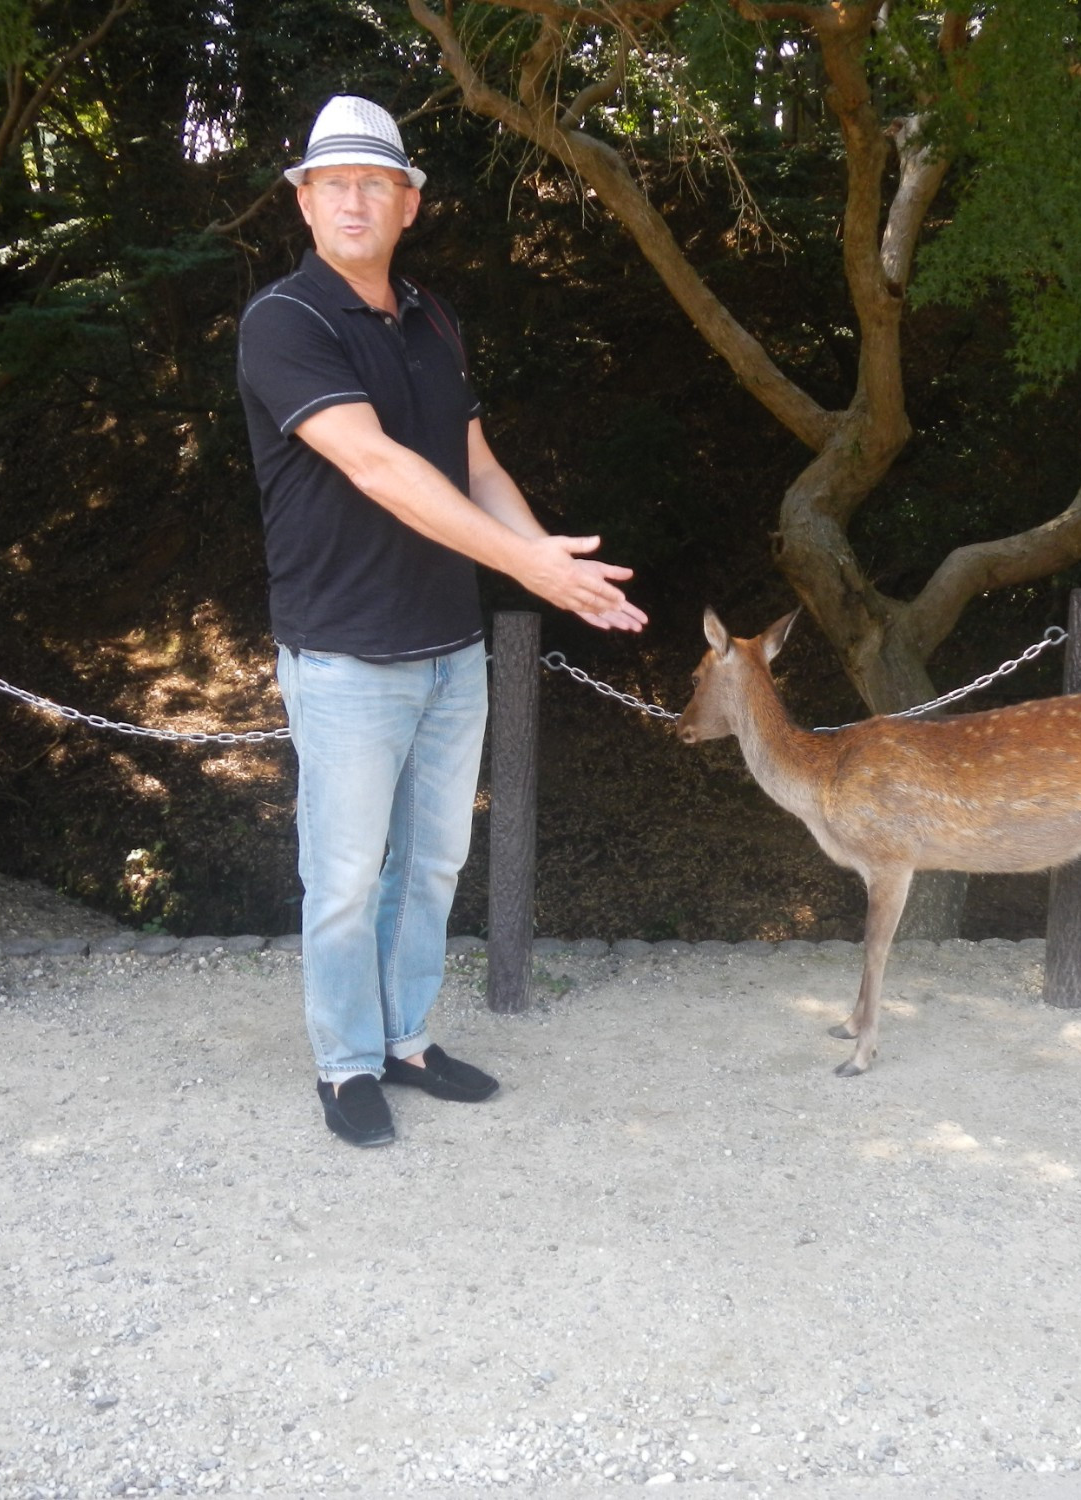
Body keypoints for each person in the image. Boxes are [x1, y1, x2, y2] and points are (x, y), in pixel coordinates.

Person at [237, 96, 646, 1147]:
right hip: (342, 655)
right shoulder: (285, 321)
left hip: (447, 649)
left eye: (377, 181)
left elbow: (475, 466)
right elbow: (376, 466)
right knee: (340, 876)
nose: (356, 198)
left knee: (428, 868)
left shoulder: (431, 318)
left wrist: (558, 565)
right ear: (305, 202)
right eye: (334, 182)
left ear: (409, 202)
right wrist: (524, 567)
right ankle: (342, 1065)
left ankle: (405, 1039)